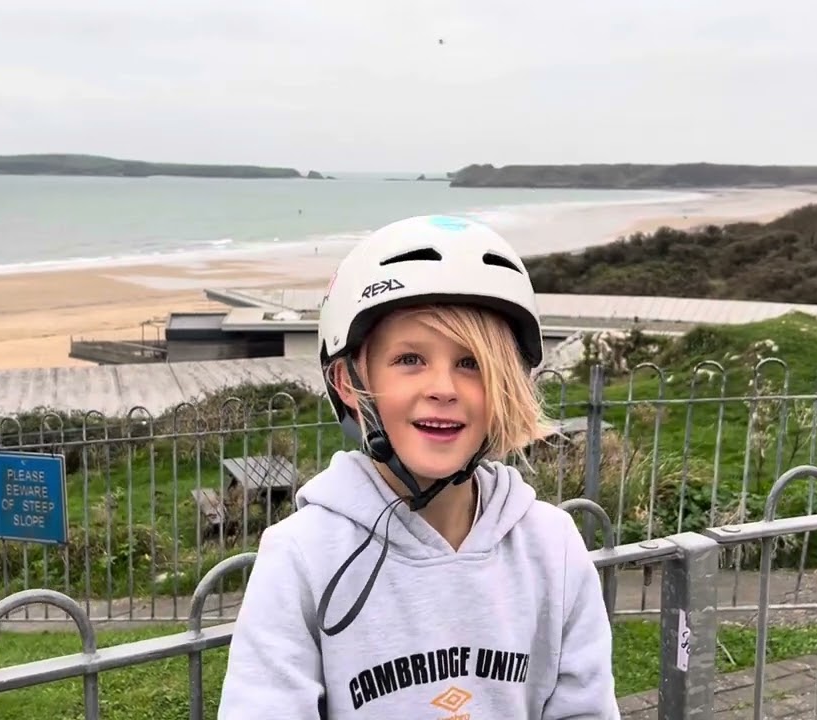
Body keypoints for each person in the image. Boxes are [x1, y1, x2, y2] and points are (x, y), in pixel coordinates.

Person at [216, 214, 619, 719]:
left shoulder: (552, 547)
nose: (443, 388)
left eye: (471, 362)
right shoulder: (302, 555)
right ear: (347, 381)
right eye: (410, 359)